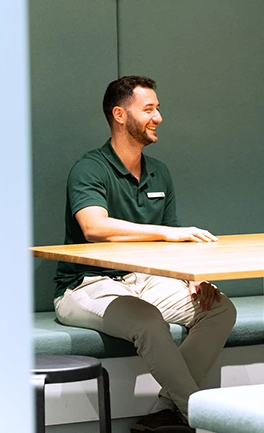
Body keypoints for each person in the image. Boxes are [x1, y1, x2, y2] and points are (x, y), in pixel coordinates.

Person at [53, 76, 237, 433]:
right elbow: (94, 228)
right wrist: (168, 233)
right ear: (120, 115)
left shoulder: (159, 172)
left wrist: (194, 278)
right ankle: (199, 417)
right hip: (87, 286)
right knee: (149, 321)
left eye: (158, 108)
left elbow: (177, 245)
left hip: (144, 281)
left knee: (219, 308)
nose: (159, 117)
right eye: (149, 109)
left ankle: (163, 411)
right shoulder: (89, 168)